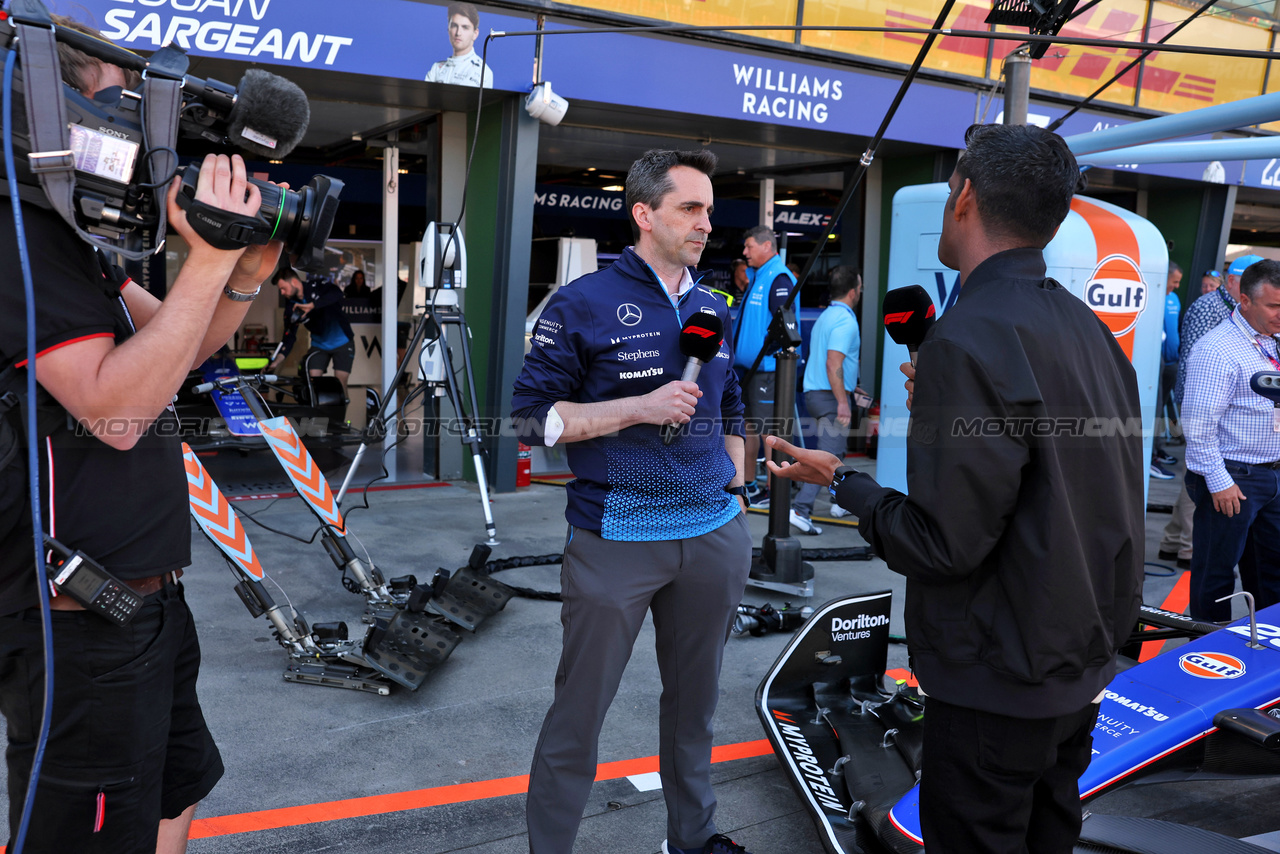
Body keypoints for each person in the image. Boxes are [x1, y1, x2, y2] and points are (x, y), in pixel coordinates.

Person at [764, 124, 1144, 854]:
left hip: (998, 679)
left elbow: (941, 545)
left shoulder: (967, 340)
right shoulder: (1091, 330)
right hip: (1079, 663)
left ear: (964, 195)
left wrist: (847, 483)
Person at [0, 19, 284, 852]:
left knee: (172, 789)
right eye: (111, 110)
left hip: (143, 598)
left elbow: (181, 352)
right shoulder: (20, 232)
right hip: (74, 613)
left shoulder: (81, 243)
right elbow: (115, 412)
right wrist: (204, 260)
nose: (128, 141)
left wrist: (234, 278)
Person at [511, 149, 755, 854]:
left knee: (696, 709)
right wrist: (637, 408)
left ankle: (694, 837)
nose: (707, 223)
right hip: (615, 540)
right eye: (690, 208)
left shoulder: (714, 305)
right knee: (577, 718)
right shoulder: (581, 302)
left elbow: (731, 402)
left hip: (714, 536)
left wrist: (734, 490)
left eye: (710, 210)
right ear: (644, 214)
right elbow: (530, 419)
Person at [1181, 258, 1280, 621]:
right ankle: (1206, 651)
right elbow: (1197, 426)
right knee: (1216, 574)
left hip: (1272, 476)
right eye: (1274, 306)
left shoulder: (1273, 341)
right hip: (1232, 477)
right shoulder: (1217, 349)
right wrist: (1219, 482)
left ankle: (1269, 648)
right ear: (1245, 300)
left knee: (1272, 571)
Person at [1162, 254, 1264, 575]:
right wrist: (1186, 412)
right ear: (1233, 281)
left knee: (1194, 478)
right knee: (1204, 476)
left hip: (1226, 417)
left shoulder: (1252, 319)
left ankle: (1172, 541)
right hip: (1209, 412)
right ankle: (1188, 548)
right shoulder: (1208, 308)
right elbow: (1190, 361)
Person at [734, 225, 800, 522]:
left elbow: (784, 328)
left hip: (767, 371)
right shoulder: (758, 276)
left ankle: (776, 491)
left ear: (766, 246)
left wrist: (767, 358)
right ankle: (749, 486)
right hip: (747, 370)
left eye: (749, 246)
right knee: (747, 430)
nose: (745, 252)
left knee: (769, 434)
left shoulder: (779, 277)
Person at [792, 266, 863, 530]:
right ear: (854, 292)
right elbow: (833, 363)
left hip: (817, 394)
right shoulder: (845, 320)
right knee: (826, 459)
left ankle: (840, 502)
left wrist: (851, 389)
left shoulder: (826, 315)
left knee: (836, 450)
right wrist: (843, 401)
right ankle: (800, 510)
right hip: (830, 397)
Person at [269, 268, 355, 394]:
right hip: (319, 346)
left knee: (340, 383)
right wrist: (275, 362)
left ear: (294, 281)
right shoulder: (291, 306)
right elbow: (289, 337)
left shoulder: (317, 286)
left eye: (283, 288)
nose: (282, 293)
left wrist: (313, 305)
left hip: (342, 342)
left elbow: (337, 293)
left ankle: (341, 413)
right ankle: (317, 412)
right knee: (313, 382)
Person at [1151, 261, 1183, 480]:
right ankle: (1151, 456)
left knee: (1160, 410)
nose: (1177, 286)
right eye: (1175, 281)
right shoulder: (1153, 295)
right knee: (1152, 410)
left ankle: (1157, 450)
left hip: (1172, 363)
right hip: (1156, 363)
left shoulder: (1173, 297)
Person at [424, 2, 494, 88]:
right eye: (454, 26)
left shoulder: (483, 72)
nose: (458, 33)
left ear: (475, 34)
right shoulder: (436, 68)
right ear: (448, 29)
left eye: (465, 27)